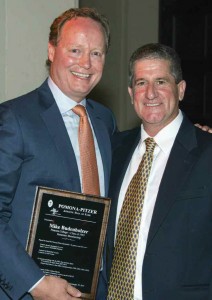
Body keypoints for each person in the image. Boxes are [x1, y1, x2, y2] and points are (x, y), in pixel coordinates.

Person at [0, 7, 117, 300]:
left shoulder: (105, 121)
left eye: (96, 53)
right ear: (52, 51)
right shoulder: (15, 118)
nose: (86, 63)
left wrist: (194, 137)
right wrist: (35, 284)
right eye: (75, 50)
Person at [103, 43, 212, 300]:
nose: (150, 93)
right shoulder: (112, 149)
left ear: (181, 90)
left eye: (161, 81)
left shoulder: (207, 152)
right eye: (141, 83)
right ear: (131, 93)